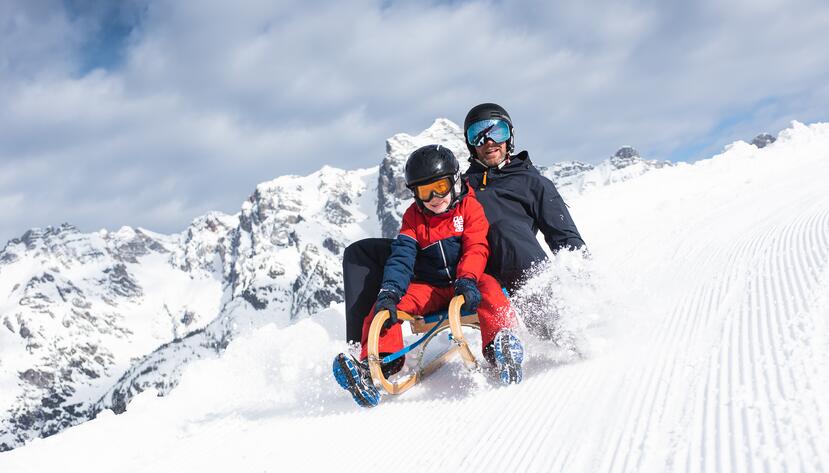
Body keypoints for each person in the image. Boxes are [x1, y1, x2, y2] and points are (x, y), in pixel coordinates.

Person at [342, 103, 586, 345]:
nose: (489, 141)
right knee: (360, 253)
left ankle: (550, 321)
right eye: (478, 135)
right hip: (442, 260)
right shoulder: (457, 185)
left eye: (497, 132)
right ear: (470, 143)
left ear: (510, 136)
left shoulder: (533, 183)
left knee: (503, 229)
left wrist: (586, 283)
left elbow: (566, 238)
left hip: (491, 264)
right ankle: (364, 348)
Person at [332, 145, 524, 408]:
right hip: (430, 287)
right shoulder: (414, 218)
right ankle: (376, 365)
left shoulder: (469, 207)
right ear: (415, 193)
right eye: (425, 191)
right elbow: (401, 257)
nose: (435, 197)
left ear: (454, 182)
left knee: (490, 289)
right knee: (384, 311)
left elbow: (476, 246)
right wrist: (389, 292)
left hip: (467, 281)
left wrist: (467, 278)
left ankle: (500, 345)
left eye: (441, 187)